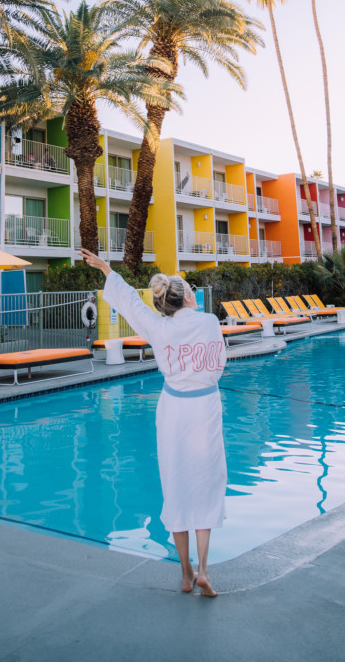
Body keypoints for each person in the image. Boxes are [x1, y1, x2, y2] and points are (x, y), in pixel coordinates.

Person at [80, 247, 227, 597]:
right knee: (206, 486)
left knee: (176, 486)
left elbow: (131, 304)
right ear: (188, 297)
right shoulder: (209, 323)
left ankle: (186, 573)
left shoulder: (159, 329)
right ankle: (205, 569)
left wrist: (106, 270)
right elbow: (219, 365)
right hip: (205, 409)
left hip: (174, 413)